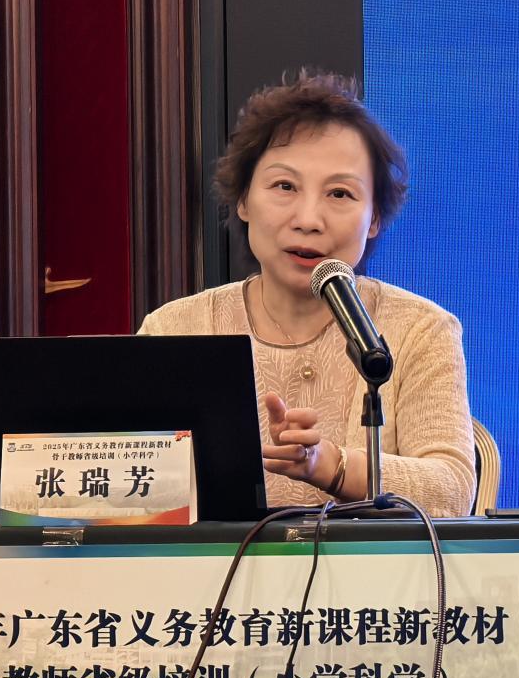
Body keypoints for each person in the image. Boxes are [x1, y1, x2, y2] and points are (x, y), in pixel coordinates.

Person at [139, 72, 475, 516]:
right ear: (243, 200)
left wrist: (332, 466)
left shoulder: (419, 329)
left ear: (374, 218)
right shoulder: (176, 329)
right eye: (285, 186)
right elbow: (129, 488)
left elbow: (452, 492)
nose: (309, 219)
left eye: (340, 193)